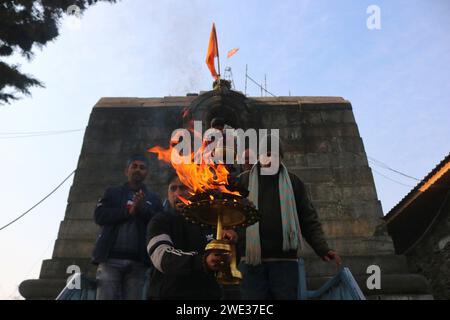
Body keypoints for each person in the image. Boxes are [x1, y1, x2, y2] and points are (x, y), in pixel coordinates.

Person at [236, 138, 342, 300]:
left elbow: (308, 219)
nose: (270, 159)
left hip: (284, 263)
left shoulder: (294, 182)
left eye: (275, 155)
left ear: (281, 157)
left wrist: (323, 248)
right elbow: (232, 215)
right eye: (267, 154)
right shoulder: (243, 181)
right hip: (251, 262)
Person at [146, 171, 237, 300]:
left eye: (183, 188)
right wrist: (203, 261)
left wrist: (229, 245)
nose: (177, 194)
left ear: (195, 190)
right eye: (173, 188)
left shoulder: (211, 221)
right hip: (170, 295)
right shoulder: (160, 220)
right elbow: (162, 257)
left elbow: (225, 265)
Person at [92, 154, 163, 300]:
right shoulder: (112, 193)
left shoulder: (154, 198)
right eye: (134, 166)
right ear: (127, 170)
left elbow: (159, 224)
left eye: (142, 168)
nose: (138, 170)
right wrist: (128, 212)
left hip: (139, 263)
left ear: (146, 173)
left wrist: (142, 209)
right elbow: (100, 216)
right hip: (110, 260)